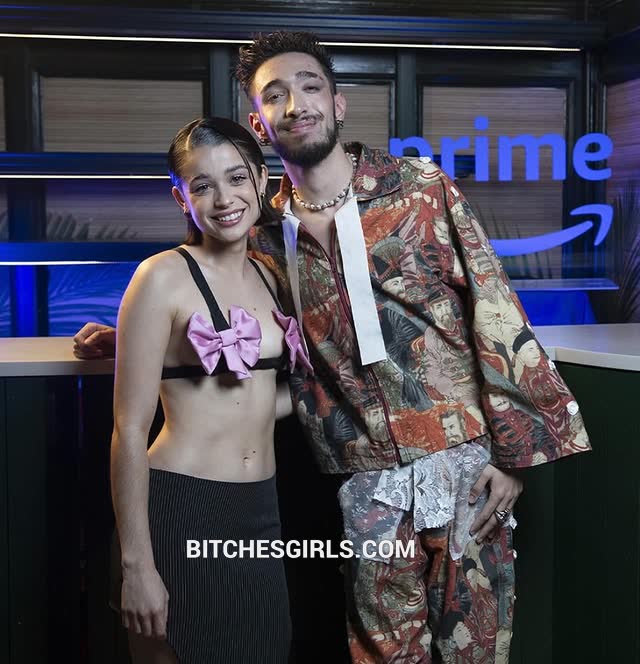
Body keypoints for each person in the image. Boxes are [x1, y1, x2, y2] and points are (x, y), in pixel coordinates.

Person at [74, 31, 591, 664]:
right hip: (365, 478)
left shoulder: (421, 189)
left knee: (474, 649)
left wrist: (513, 457)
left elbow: (496, 309)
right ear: (259, 124)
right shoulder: (264, 234)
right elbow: (222, 304)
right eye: (275, 95)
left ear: (338, 103)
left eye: (310, 87)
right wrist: (133, 335)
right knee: (382, 654)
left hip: (464, 466)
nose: (295, 105)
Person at [101, 116, 311, 664]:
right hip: (182, 505)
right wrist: (137, 566)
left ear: (261, 180)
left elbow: (256, 398)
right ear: (181, 198)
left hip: (259, 509)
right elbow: (128, 428)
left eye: (236, 178)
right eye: (202, 185)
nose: (224, 199)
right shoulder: (160, 276)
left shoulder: (272, 277)